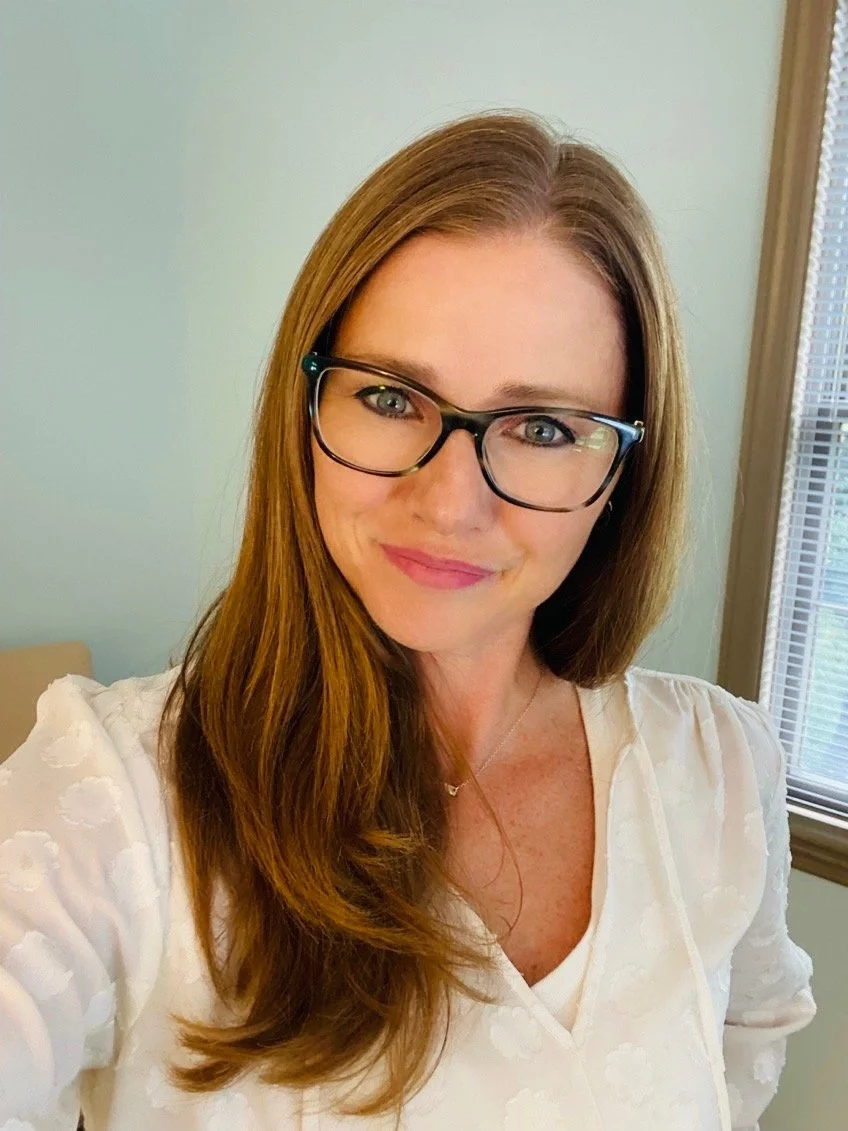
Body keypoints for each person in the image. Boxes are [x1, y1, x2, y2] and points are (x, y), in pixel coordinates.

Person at [0, 109, 816, 1131]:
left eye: (542, 428)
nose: (448, 500)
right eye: (390, 399)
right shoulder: (114, 792)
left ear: (621, 474)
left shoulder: (718, 771)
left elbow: (744, 1063)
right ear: (304, 410)